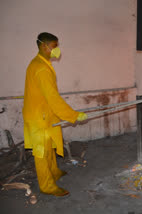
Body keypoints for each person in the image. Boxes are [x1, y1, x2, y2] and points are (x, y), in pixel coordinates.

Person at [23, 32, 88, 196]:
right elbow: (53, 97)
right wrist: (73, 115)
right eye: (54, 46)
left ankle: (54, 172)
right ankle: (47, 186)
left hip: (45, 113)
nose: (57, 50)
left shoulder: (42, 63)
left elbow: (48, 96)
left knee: (49, 147)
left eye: (57, 46)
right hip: (39, 118)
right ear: (44, 46)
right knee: (42, 153)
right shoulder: (40, 68)